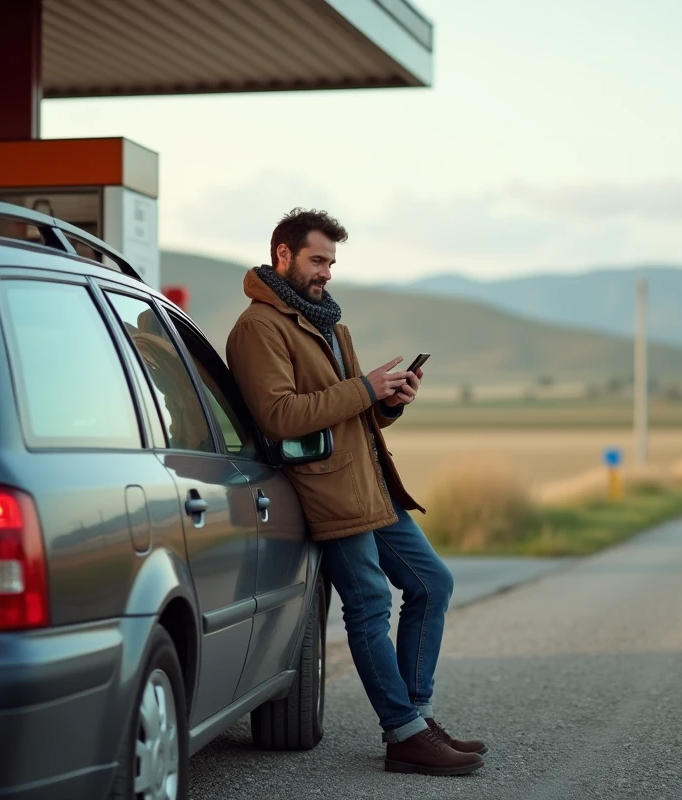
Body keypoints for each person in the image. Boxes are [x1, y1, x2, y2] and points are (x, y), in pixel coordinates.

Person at [225, 208, 486, 776]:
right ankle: (406, 733)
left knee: (432, 583)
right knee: (368, 605)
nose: (327, 272)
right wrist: (364, 387)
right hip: (325, 493)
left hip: (370, 484)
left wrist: (387, 401)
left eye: (332, 262)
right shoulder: (257, 328)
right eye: (318, 260)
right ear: (283, 256)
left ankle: (414, 719)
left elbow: (353, 413)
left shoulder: (329, 324)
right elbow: (279, 414)